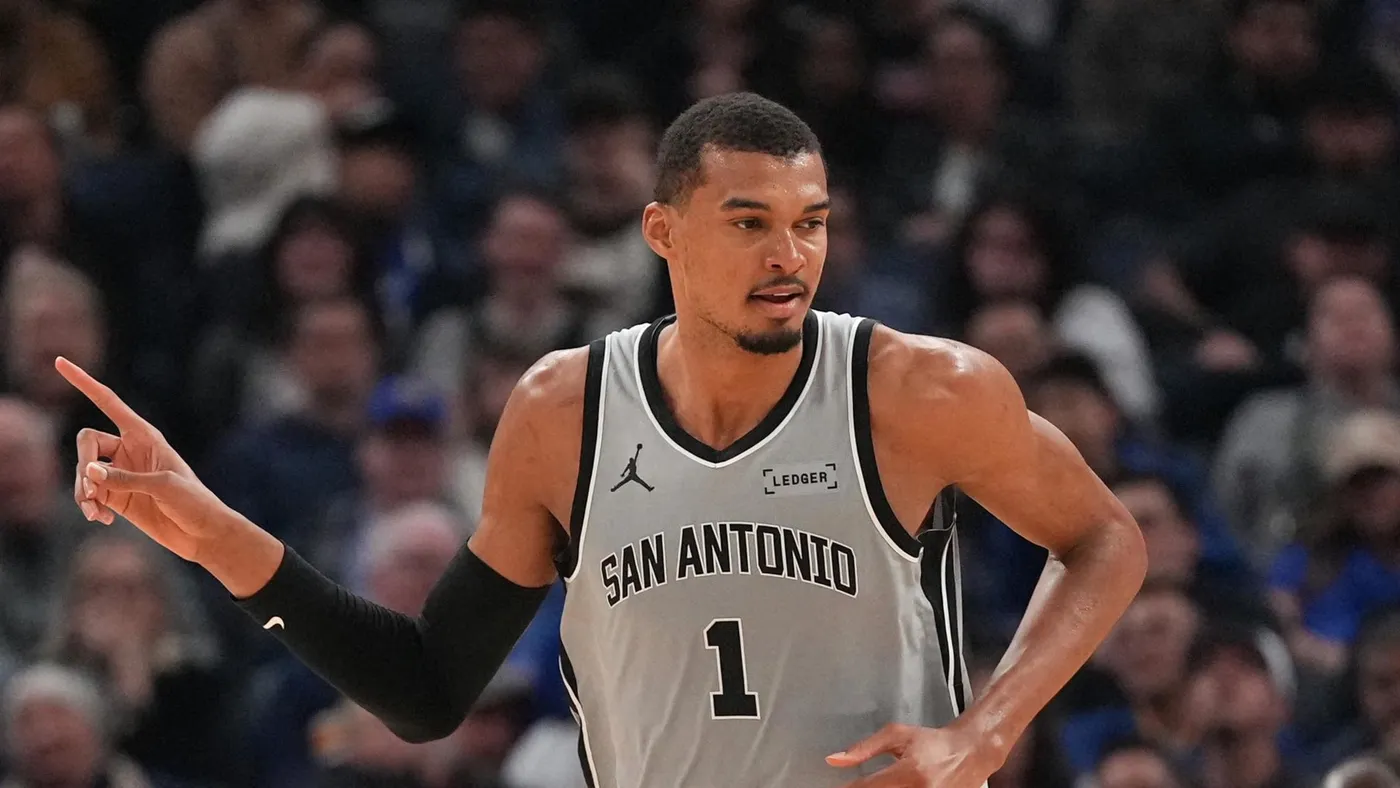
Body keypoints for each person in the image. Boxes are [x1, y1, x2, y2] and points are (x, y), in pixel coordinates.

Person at [57, 92, 1147, 788]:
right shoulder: (563, 411)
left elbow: (1104, 537)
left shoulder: (916, 389)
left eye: (809, 223)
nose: (790, 255)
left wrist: (987, 729)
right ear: (662, 232)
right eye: (750, 222)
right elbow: (427, 687)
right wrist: (212, 533)